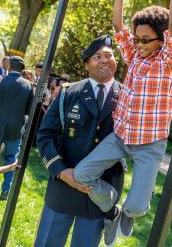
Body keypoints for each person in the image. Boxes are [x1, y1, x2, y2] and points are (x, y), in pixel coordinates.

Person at [74, 0, 172, 241]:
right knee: (81, 175)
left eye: (146, 40)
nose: (139, 44)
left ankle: (128, 212)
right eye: (137, 39)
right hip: (122, 135)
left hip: (150, 142)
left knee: (136, 206)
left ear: (162, 40)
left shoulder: (167, 61)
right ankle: (111, 208)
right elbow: (117, 25)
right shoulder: (134, 55)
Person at [35, 36, 125, 247]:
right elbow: (45, 134)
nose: (104, 60)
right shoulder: (69, 93)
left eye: (109, 56)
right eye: (97, 56)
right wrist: (60, 171)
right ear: (86, 65)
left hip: (100, 191)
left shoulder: (127, 96)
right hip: (63, 186)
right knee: (48, 242)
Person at [0, 56, 33, 200]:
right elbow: (29, 110)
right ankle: (5, 191)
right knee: (11, 160)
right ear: (22, 69)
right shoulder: (28, 85)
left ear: (9, 66)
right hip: (15, 129)